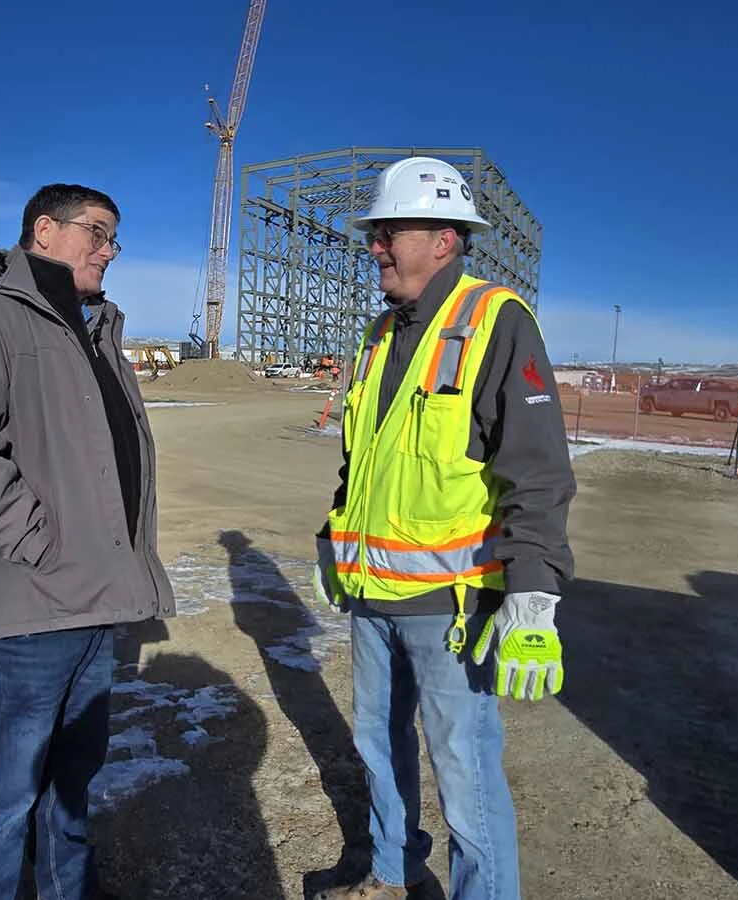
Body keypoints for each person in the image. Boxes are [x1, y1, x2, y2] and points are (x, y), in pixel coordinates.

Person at [310, 157, 578, 900]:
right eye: (375, 234)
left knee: (465, 772)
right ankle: (391, 874)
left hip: (452, 605)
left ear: (444, 239)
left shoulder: (496, 320)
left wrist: (533, 592)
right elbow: (365, 459)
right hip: (373, 596)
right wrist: (334, 539)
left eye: (389, 233)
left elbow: (537, 470)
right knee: (378, 747)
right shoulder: (378, 334)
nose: (375, 247)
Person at [0, 183, 174, 900]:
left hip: (89, 604)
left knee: (70, 790)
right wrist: (41, 547)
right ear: (44, 230)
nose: (109, 251)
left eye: (115, 238)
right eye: (97, 233)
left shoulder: (91, 329)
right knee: (0, 801)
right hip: (18, 614)